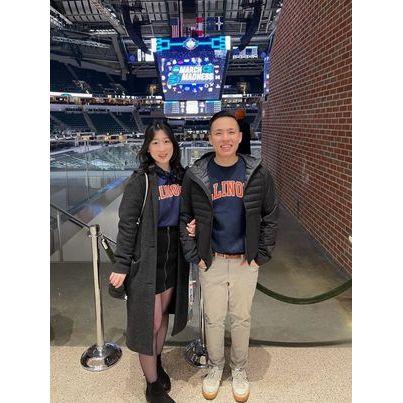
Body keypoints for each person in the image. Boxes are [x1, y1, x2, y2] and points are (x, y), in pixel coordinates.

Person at [180, 110, 278, 402]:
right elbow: (185, 216)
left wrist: (261, 254)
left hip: (245, 261)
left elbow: (270, 216)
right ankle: (214, 367)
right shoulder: (196, 173)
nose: (225, 138)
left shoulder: (258, 172)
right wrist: (194, 254)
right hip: (211, 259)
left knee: (241, 318)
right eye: (218, 133)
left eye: (231, 132)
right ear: (210, 137)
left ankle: (239, 369)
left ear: (240, 136)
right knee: (212, 319)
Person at [110, 121, 189, 403]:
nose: (161, 148)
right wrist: (121, 264)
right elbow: (127, 224)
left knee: (163, 315)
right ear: (147, 147)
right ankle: (152, 386)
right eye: (155, 142)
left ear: (174, 144)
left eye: (166, 141)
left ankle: (156, 363)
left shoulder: (180, 176)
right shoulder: (141, 180)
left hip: (172, 254)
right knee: (150, 322)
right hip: (148, 255)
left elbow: (187, 212)